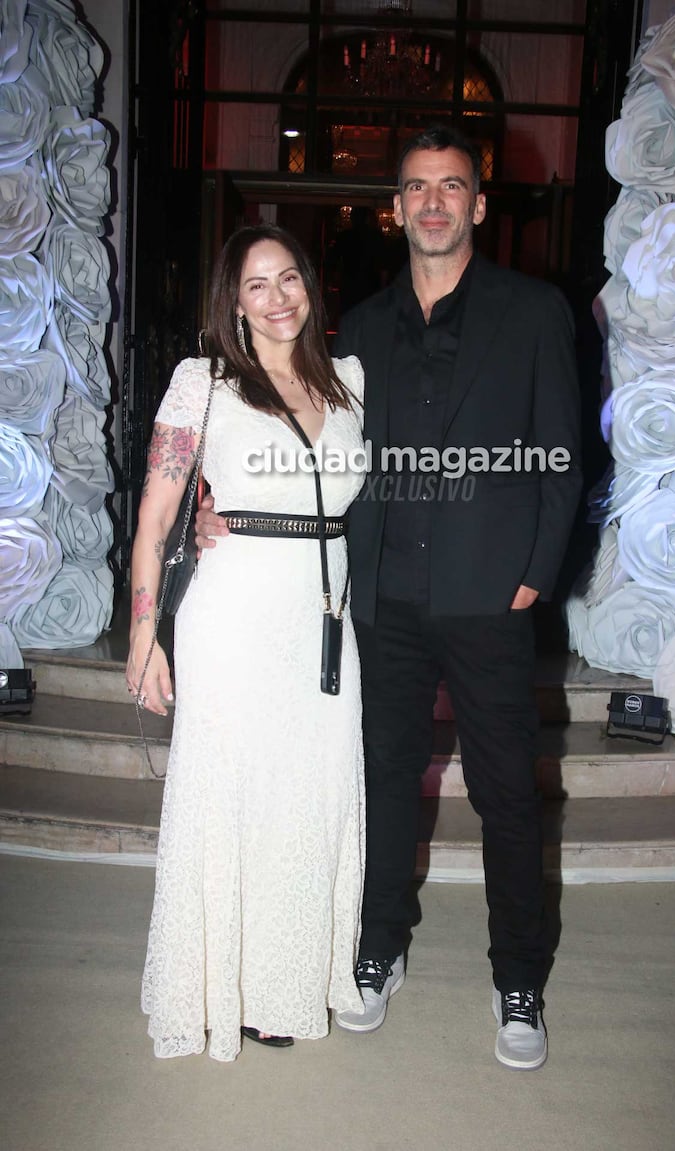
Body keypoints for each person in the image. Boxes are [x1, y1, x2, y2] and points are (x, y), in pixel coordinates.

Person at [196, 126, 582, 1070]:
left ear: (479, 206)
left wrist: (534, 569)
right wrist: (220, 506)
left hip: (491, 598)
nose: (436, 203)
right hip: (380, 602)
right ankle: (380, 944)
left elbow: (563, 453)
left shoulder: (533, 312)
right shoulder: (358, 328)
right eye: (418, 188)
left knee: (505, 795)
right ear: (397, 207)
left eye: (453, 187)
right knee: (381, 783)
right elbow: (299, 444)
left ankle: (517, 975)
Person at [125, 224, 366, 1061]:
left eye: (289, 277)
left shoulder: (349, 383)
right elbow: (156, 515)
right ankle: (216, 989)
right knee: (232, 798)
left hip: (322, 624)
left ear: (309, 286)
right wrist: (144, 635)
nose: (277, 297)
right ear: (234, 299)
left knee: (309, 803)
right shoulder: (204, 382)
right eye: (257, 283)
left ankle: (282, 985)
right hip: (232, 620)